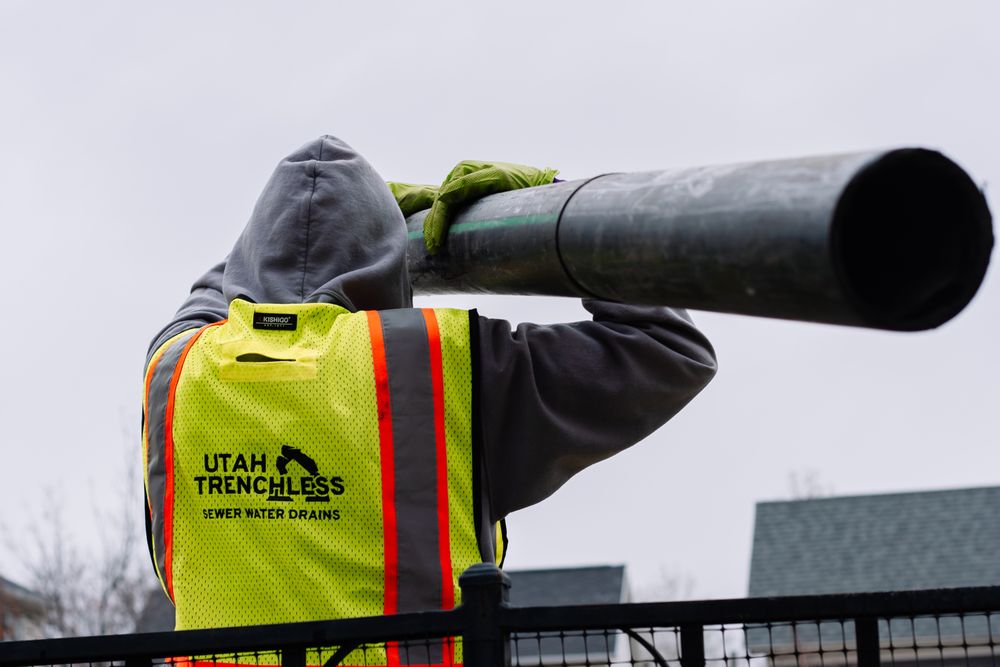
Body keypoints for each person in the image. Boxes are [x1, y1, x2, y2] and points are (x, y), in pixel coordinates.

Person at [141, 136, 717, 638]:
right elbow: (668, 349)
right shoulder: (444, 366)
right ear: (386, 260)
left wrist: (298, 224)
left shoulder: (177, 369)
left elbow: (223, 288)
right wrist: (558, 201)